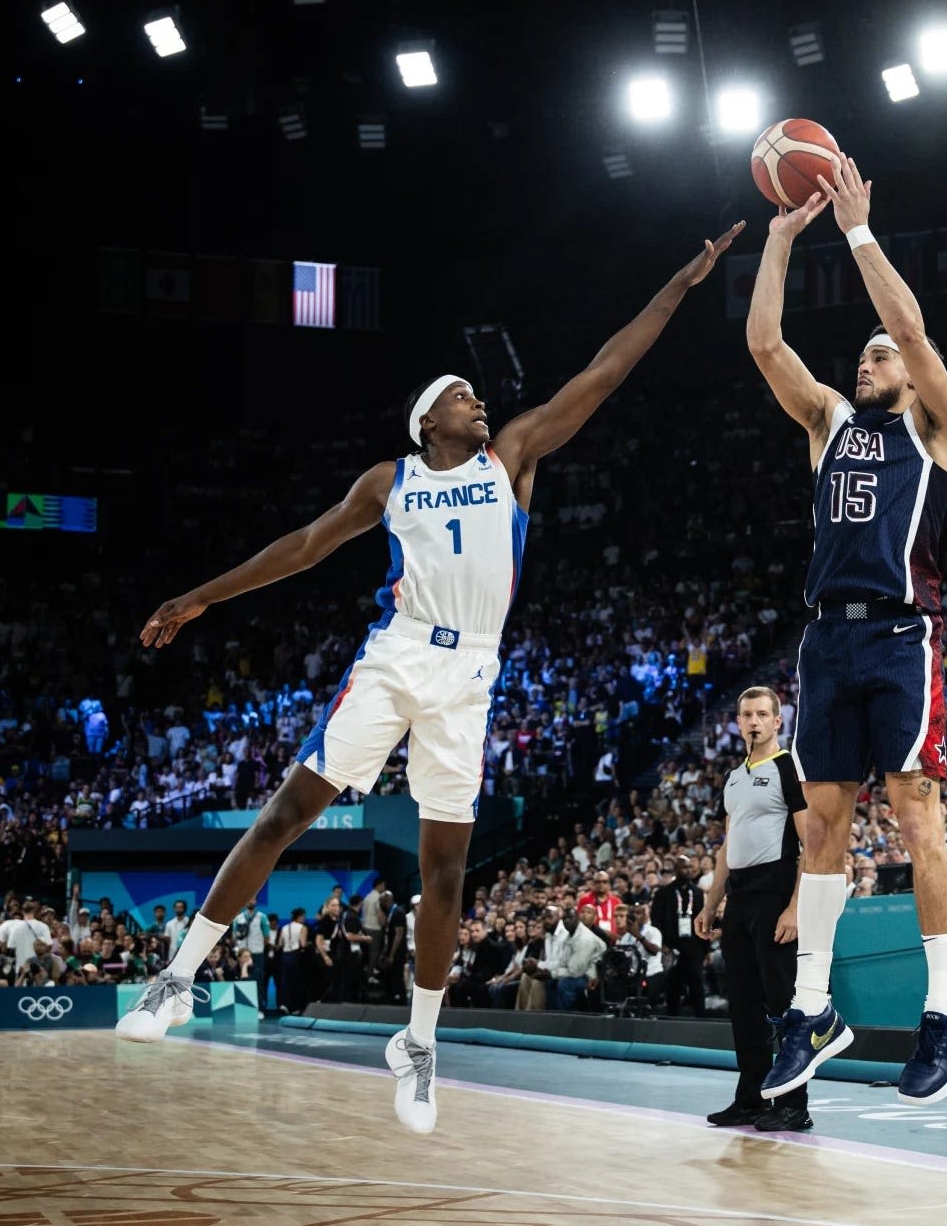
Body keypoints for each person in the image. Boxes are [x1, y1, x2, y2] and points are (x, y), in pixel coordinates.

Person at [114, 225, 743, 1136]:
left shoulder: (512, 458)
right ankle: (179, 973)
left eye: (476, 394)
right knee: (287, 812)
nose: (478, 400)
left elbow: (603, 373)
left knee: (447, 868)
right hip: (399, 653)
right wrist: (202, 597)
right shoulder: (391, 479)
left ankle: (417, 1043)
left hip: (470, 673)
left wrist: (680, 284)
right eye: (461, 395)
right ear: (427, 421)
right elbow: (301, 547)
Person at [747, 159, 947, 1107]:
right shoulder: (830, 422)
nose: (865, 364)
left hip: (898, 636)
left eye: (878, 357)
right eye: (864, 357)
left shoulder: (940, 421)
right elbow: (766, 343)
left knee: (916, 817)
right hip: (823, 641)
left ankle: (943, 1010)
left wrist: (856, 231)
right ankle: (813, 1011)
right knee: (823, 827)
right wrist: (778, 238)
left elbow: (915, 330)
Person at [695, 687, 810, 1133]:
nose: (755, 721)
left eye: (763, 714)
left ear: (778, 722)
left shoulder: (789, 768)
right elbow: (729, 844)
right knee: (743, 1004)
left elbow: (810, 843)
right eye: (747, 714)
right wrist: (711, 901)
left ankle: (794, 1103)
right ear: (738, 722)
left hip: (776, 895)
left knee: (784, 1003)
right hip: (739, 899)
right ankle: (751, 1099)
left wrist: (796, 907)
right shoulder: (734, 777)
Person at [653, 854, 709, 1018]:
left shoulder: (697, 893)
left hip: (694, 946)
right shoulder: (663, 893)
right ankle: (672, 1020)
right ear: (677, 870)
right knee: (673, 986)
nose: (689, 870)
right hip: (672, 945)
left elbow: (703, 920)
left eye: (690, 867)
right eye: (685, 867)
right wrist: (663, 943)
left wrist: (706, 950)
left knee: (697, 984)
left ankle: (702, 1020)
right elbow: (656, 920)